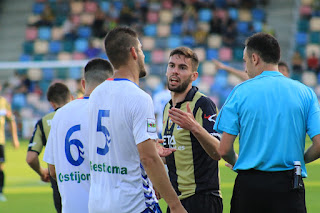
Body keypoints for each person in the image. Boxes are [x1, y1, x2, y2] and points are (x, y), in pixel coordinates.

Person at [214, 32, 320, 213]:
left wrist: (239, 162)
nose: (245, 68)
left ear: (254, 58)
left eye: (245, 60)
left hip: (250, 186)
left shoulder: (240, 91)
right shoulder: (305, 92)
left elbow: (224, 149)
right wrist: (299, 160)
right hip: (290, 185)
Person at [88, 26, 186, 213]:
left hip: (98, 204)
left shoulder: (96, 94)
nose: (142, 55)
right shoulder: (139, 98)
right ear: (133, 52)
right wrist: (175, 205)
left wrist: (149, 144)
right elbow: (148, 158)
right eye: (140, 49)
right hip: (132, 204)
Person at [43, 58, 114, 213]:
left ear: (83, 84)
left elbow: (52, 170)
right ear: (110, 84)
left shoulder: (60, 115)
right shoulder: (112, 113)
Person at [162, 46, 222, 213]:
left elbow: (218, 152)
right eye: (171, 66)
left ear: (194, 76)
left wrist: (194, 127)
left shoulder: (203, 104)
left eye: (182, 68)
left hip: (202, 199)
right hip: (175, 200)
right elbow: (176, 152)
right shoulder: (167, 108)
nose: (175, 71)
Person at [26, 82, 72, 212]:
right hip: (85, 176)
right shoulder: (83, 114)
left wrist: (41, 172)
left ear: (52, 103)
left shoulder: (44, 122)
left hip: (59, 178)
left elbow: (31, 158)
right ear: (71, 97)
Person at [0, 84, 20, 202]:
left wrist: (14, 138)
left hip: (0, 140)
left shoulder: (3, 102)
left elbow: (11, 119)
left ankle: (0, 191)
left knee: (1, 167)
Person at [213, 59, 290, 81]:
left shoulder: (295, 90)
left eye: (283, 70)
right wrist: (224, 67)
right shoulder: (264, 82)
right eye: (279, 69)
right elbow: (246, 76)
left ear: (288, 74)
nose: (281, 72)